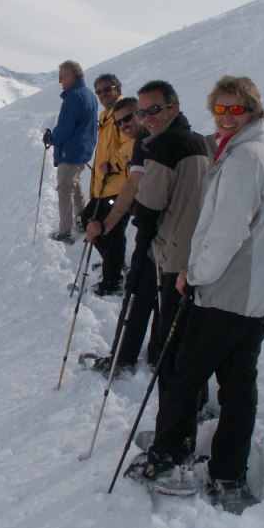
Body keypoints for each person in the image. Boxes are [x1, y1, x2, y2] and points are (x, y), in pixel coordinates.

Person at [128, 76, 264, 513]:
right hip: (256, 292)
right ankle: (227, 473)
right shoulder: (252, 153)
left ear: (253, 111)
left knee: (186, 371)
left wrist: (195, 274)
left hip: (228, 291)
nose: (225, 117)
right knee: (237, 384)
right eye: (219, 109)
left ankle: (170, 458)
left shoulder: (243, 160)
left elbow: (226, 232)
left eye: (235, 109)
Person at [130, 81, 210, 390]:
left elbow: (149, 206)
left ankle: (174, 413)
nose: (147, 118)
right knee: (191, 335)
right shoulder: (199, 141)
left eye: (154, 109)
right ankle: (195, 401)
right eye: (142, 112)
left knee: (171, 338)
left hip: (175, 255)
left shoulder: (163, 146)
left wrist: (140, 221)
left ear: (174, 108)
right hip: (201, 253)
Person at [85, 98, 158, 374]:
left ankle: (123, 359)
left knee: (138, 293)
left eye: (129, 118)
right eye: (119, 122)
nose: (124, 124)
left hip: (156, 232)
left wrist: (105, 225)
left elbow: (132, 186)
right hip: (160, 231)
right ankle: (156, 354)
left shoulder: (146, 142)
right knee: (157, 294)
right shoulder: (145, 141)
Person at [81, 74, 134, 295]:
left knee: (112, 233)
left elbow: (131, 143)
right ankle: (114, 265)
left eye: (107, 89)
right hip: (105, 186)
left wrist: (113, 165)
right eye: (99, 91)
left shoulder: (123, 114)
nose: (103, 94)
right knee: (90, 220)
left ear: (117, 89)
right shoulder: (106, 118)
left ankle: (112, 282)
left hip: (119, 185)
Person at [43, 61, 98, 243]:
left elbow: (65, 128)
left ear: (70, 76)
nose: (59, 81)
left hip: (70, 151)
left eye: (60, 77)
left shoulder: (73, 97)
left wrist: (50, 139)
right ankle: (82, 219)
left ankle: (65, 232)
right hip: (83, 150)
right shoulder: (89, 94)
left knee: (65, 188)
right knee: (75, 183)